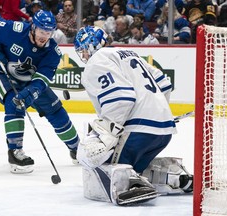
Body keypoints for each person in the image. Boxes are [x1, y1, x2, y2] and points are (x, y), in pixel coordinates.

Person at [73, 26, 191, 205]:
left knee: (97, 161)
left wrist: (108, 133)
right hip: (164, 131)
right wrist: (157, 111)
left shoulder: (97, 61)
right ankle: (176, 178)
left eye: (83, 50)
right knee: (136, 167)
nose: (84, 56)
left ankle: (130, 184)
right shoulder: (128, 53)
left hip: (138, 132)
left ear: (90, 46)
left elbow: (121, 98)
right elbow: (164, 83)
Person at [0, 9, 80, 174]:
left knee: (55, 110)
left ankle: (76, 148)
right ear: (33, 27)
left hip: (29, 81)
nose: (44, 36)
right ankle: (15, 152)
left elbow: (41, 81)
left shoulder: (53, 52)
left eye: (48, 32)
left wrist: (31, 92)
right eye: (41, 31)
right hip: (0, 73)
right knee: (14, 102)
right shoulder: (14, 30)